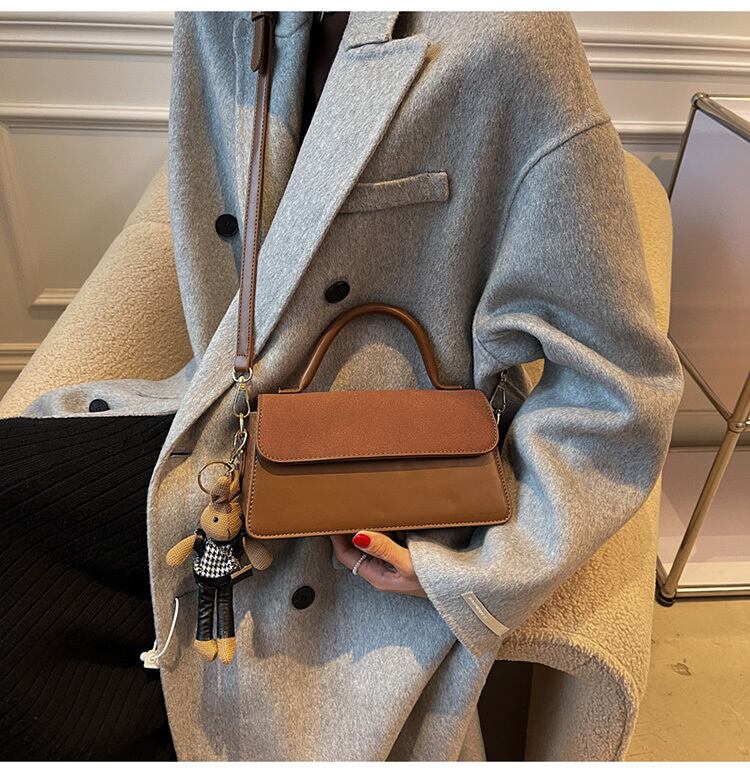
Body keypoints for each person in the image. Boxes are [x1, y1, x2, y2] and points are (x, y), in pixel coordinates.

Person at [10, 11, 684, 760]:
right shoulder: (221, 20)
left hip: (379, 514)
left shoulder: (506, 36)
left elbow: (619, 381)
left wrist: (479, 573)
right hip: (223, 449)